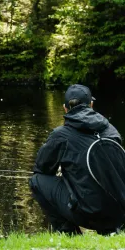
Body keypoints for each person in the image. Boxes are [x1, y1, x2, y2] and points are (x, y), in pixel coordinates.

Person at [30, 84, 124, 235]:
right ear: (91, 105)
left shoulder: (61, 135)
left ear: (65, 108)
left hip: (89, 215)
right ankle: (111, 230)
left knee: (36, 181)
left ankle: (71, 235)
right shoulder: (111, 130)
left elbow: (42, 169)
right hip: (120, 213)